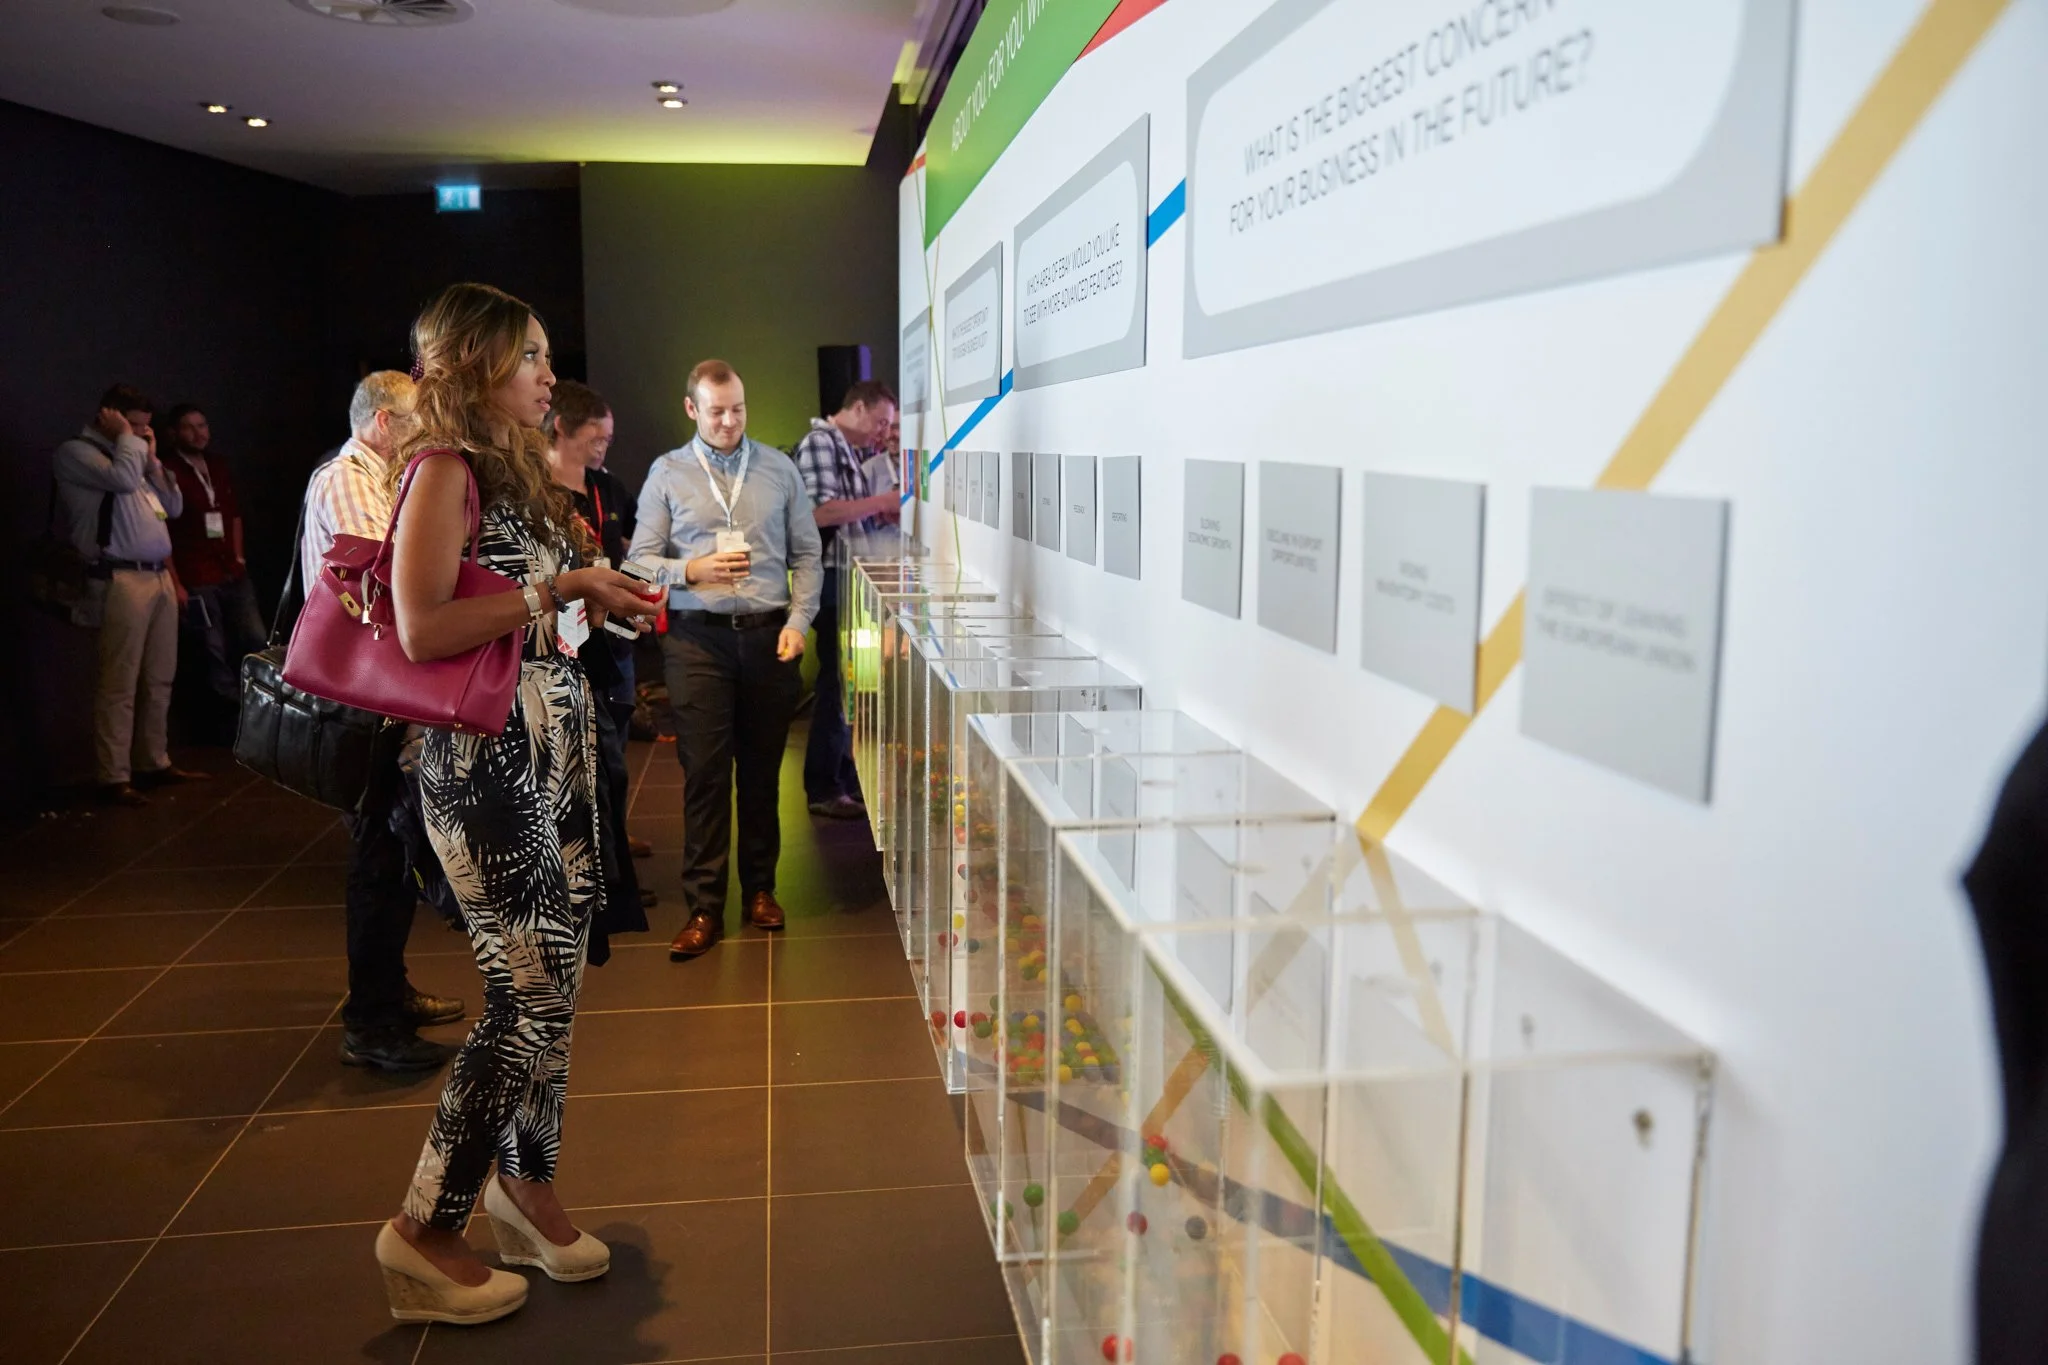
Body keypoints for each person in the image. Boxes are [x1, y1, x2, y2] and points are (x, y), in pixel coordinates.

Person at [373, 283, 660, 1325]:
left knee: (555, 987)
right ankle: (423, 1228)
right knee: (525, 993)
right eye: (530, 357)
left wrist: (590, 591)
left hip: (550, 752)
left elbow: (524, 608)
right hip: (485, 763)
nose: (548, 375)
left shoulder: (510, 473)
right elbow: (420, 628)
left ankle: (524, 1189)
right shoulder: (442, 468)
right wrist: (560, 591)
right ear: (477, 366)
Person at [629, 360, 823, 960]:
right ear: (692, 409)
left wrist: (798, 622)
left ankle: (761, 889)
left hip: (768, 638)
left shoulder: (779, 469)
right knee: (707, 777)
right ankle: (704, 906)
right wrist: (691, 570)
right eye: (716, 411)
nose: (730, 421)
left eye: (737, 408)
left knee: (763, 774)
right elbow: (638, 562)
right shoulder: (667, 473)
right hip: (696, 639)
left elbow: (809, 556)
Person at [301, 371, 465, 1073]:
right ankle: (370, 1022)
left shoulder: (375, 473)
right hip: (359, 698)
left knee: (391, 856)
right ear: (383, 424)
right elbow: (386, 576)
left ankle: (387, 993)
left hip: (377, 693)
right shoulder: (347, 479)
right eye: (418, 424)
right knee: (377, 857)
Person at [52, 384, 207, 806]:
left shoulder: (135, 456)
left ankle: (153, 761)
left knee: (159, 677)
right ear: (109, 417)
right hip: (119, 579)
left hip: (156, 577)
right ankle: (113, 776)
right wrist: (127, 442)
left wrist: (153, 460)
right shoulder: (78, 454)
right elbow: (121, 480)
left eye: (144, 426)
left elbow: (172, 508)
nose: (140, 433)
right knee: (119, 682)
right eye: (132, 424)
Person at [544, 379, 657, 919]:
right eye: (596, 437)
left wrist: (640, 594)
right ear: (561, 428)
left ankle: (613, 863)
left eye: (608, 439)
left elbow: (631, 547)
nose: (603, 448)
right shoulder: (535, 491)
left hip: (614, 642)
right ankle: (599, 876)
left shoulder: (606, 488)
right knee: (581, 762)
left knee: (612, 759)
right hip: (560, 647)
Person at [791, 380, 900, 820]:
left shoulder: (847, 450)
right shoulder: (821, 442)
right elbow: (822, 511)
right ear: (856, 408)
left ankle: (841, 777)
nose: (881, 432)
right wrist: (882, 501)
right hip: (833, 581)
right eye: (880, 422)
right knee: (839, 682)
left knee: (851, 682)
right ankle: (824, 785)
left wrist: (877, 511)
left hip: (849, 579)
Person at [161, 403, 266, 717]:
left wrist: (239, 556)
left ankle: (261, 704)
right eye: (189, 427)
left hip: (231, 569)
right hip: (196, 575)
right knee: (212, 648)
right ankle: (227, 713)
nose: (198, 433)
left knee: (255, 636)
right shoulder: (168, 470)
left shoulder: (218, 465)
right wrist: (176, 582)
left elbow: (233, 514)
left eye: (202, 425)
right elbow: (161, 526)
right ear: (174, 432)